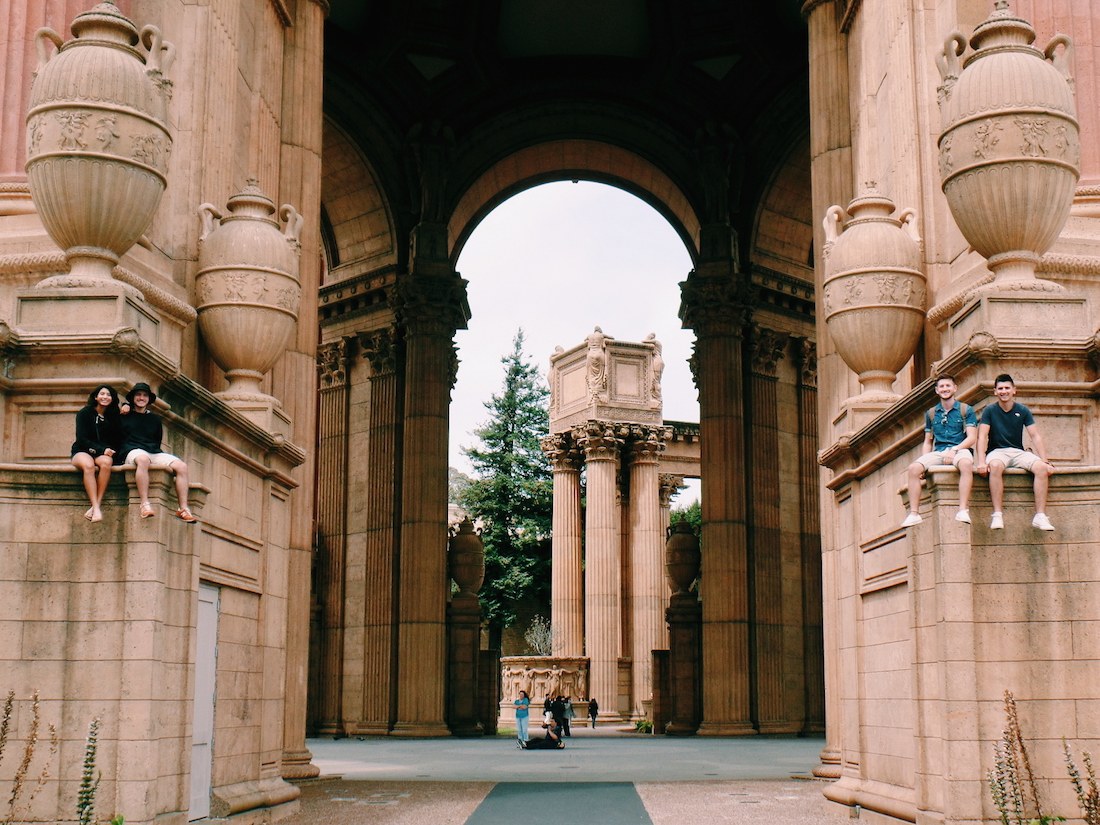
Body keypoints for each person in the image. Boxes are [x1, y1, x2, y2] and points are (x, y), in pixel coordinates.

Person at [975, 374, 1055, 531]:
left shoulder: (1023, 410)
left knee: (1040, 468)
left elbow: (1035, 436)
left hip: (1018, 451)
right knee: (996, 466)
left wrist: (1044, 460)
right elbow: (982, 436)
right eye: (1000, 389)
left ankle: (1040, 516)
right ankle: (997, 514)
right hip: (997, 451)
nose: (1004, 391)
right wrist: (981, 461)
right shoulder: (989, 410)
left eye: (1007, 388)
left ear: (1014, 390)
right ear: (995, 392)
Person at [901, 375, 977, 527]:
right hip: (939, 450)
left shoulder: (965, 409)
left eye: (948, 386)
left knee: (966, 465)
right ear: (936, 390)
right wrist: (924, 461)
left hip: (959, 448)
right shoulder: (931, 413)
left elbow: (972, 438)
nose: (945, 389)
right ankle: (914, 513)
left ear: (955, 388)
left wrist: (955, 450)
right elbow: (928, 440)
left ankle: (962, 509)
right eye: (941, 387)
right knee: (913, 468)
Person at [120, 382, 197, 523]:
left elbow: (157, 440)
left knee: (182, 466)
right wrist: (126, 405)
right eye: (138, 395)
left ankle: (183, 508)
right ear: (132, 398)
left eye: (145, 395)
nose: (141, 398)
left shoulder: (154, 419)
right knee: (143, 459)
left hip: (152, 451)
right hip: (132, 451)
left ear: (149, 399)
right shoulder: (123, 415)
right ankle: (144, 504)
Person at [71, 385, 124, 523]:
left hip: (102, 453)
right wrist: (101, 450)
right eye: (102, 394)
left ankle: (96, 505)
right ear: (96, 396)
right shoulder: (85, 413)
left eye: (108, 395)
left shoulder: (112, 417)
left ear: (112, 399)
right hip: (82, 450)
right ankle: (95, 506)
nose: (105, 397)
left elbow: (118, 437)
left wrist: (126, 406)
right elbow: (81, 439)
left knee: (106, 463)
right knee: (88, 466)